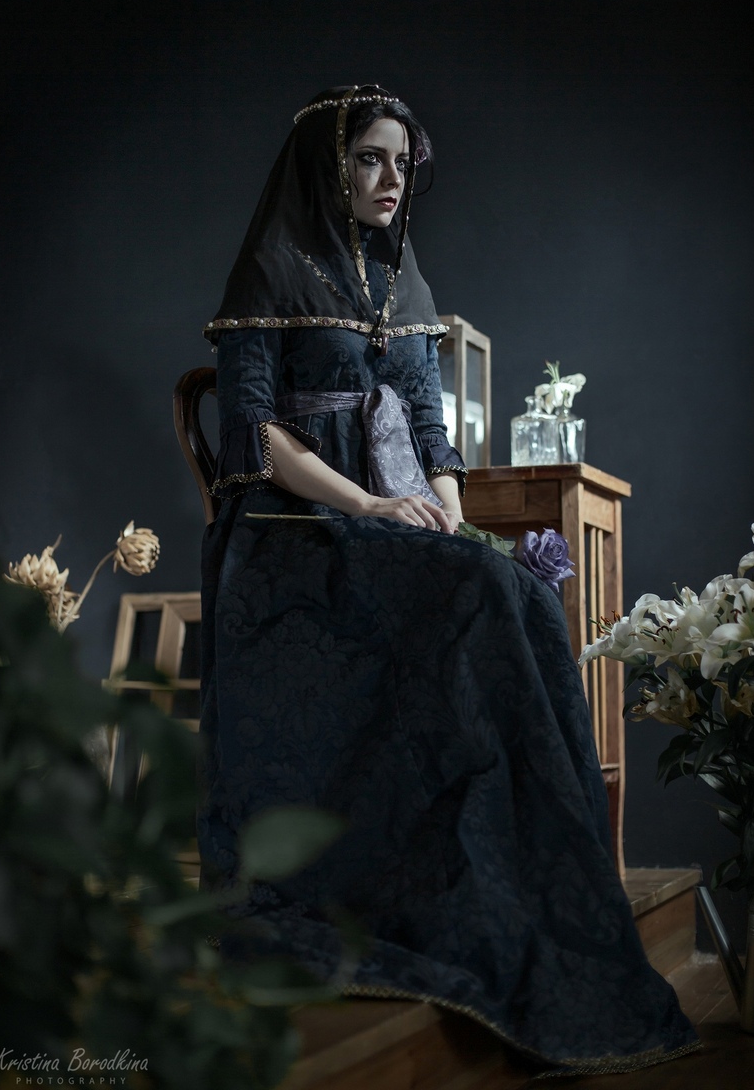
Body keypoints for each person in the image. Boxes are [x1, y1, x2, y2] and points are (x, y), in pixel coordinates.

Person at [197, 84, 699, 1076]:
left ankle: (522, 887)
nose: (391, 179)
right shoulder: (272, 266)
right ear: (329, 166)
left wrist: (452, 528)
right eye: (369, 159)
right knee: (477, 593)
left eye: (401, 161)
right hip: (294, 529)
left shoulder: (403, 285)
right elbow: (254, 433)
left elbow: (431, 435)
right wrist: (372, 507)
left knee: (517, 593)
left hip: (389, 518)